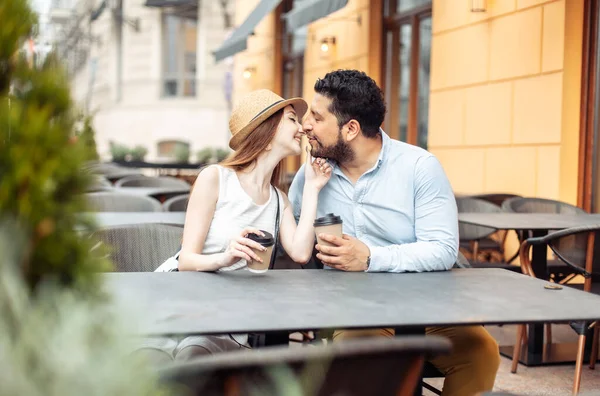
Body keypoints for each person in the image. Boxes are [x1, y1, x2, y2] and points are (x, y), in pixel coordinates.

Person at [288, 70, 500, 396]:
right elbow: (293, 244)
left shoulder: (419, 167)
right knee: (367, 362)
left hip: (425, 304)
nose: (306, 126)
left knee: (481, 353)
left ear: (351, 128)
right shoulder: (310, 176)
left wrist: (370, 257)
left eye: (316, 117)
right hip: (352, 310)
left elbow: (443, 248)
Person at [143, 89, 332, 362]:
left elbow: (301, 253)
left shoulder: (279, 200)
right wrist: (226, 256)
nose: (302, 128)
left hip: (227, 315)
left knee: (195, 355)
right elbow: (186, 260)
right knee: (155, 359)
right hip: (179, 299)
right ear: (266, 132)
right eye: (292, 119)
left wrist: (313, 188)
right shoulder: (215, 178)